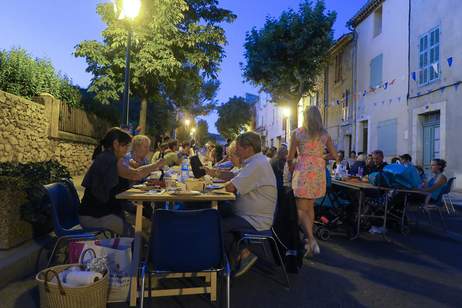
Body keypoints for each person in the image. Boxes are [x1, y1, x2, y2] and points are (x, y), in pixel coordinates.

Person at [79, 128, 164, 236]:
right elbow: (136, 174)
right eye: (125, 146)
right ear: (115, 144)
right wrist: (156, 165)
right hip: (95, 216)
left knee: (147, 225)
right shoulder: (108, 160)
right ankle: (137, 250)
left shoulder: (110, 157)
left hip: (104, 211)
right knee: (142, 234)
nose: (127, 150)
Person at [222, 132, 277, 277]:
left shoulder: (257, 164)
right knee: (219, 212)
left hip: (255, 219)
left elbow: (231, 187)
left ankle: (240, 256)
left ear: (248, 148)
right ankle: (242, 250)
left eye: (238, 148)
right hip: (251, 216)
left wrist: (215, 184)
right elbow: (235, 177)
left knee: (217, 224)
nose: (236, 151)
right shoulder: (255, 162)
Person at [287, 106, 337, 256]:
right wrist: (321, 157)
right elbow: (334, 155)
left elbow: (289, 157)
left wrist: (291, 168)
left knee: (300, 209)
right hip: (317, 172)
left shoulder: (297, 133)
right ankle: (309, 244)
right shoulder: (324, 135)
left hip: (302, 171)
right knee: (309, 207)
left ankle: (311, 239)